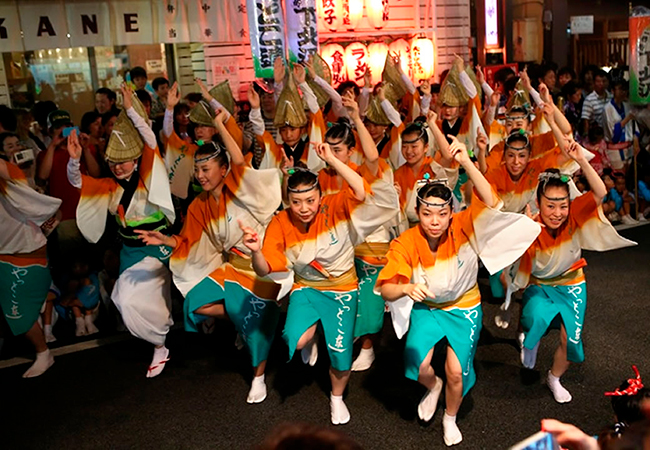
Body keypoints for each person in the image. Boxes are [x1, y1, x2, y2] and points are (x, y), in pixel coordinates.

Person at [377, 136, 540, 446]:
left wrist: (466, 162)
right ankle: (433, 386)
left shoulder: (465, 224)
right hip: (429, 310)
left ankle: (449, 417)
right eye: (427, 214)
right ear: (417, 212)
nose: (434, 221)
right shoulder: (407, 241)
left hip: (464, 308)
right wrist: (406, 287)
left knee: (455, 371)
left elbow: (492, 201)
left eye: (441, 213)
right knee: (419, 365)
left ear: (451, 212)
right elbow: (385, 288)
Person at [242, 142, 398, 425]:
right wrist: (255, 250)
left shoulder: (335, 204)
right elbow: (265, 269)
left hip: (342, 289)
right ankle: (310, 335)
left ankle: (337, 398)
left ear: (320, 196)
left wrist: (331, 160)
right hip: (307, 287)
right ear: (287, 200)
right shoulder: (279, 222)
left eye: (311, 200)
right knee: (294, 338)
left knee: (340, 352)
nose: (304, 208)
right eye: (296, 202)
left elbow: (362, 191)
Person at [137, 114, 283, 403]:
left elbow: (240, 162)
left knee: (254, 333)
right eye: (197, 170)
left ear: (224, 169)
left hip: (259, 266)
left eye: (206, 169)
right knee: (195, 303)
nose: (200, 175)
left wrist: (220, 126)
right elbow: (189, 240)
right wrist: (168, 240)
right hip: (231, 267)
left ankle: (257, 378)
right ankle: (248, 317)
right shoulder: (199, 204)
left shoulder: (241, 188)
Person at [511, 139, 635, 404]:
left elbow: (600, 191)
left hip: (572, 285)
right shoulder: (530, 227)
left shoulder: (575, 214)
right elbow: (519, 272)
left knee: (571, 341)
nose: (557, 213)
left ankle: (554, 378)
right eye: (550, 205)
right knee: (534, 321)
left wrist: (581, 160)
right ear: (538, 203)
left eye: (563, 205)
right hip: (541, 287)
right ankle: (530, 340)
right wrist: (525, 232)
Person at [66, 85, 176, 378]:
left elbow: (151, 140)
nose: (117, 166)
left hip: (157, 245)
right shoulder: (108, 186)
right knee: (121, 299)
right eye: (113, 161)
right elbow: (79, 185)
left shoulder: (150, 173)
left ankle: (159, 343)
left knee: (142, 296)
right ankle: (160, 336)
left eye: (123, 160)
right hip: (130, 251)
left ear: (137, 159)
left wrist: (130, 108)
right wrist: (74, 160)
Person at [0, 157, 62, 377]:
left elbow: (54, 216)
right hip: (6, 256)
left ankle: (43, 352)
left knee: (18, 314)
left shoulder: (11, 178)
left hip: (24, 257)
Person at [393, 116, 458, 229]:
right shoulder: (398, 174)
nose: (408, 151)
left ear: (426, 147)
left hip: (436, 227)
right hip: (408, 230)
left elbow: (448, 156)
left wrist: (432, 124)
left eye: (414, 146)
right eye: (404, 147)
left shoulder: (433, 167)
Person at [603, 80, 637, 171]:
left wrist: (636, 140)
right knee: (619, 176)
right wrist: (627, 118)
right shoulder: (607, 108)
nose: (623, 92)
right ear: (613, 91)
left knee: (629, 176)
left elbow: (635, 127)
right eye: (620, 89)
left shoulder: (627, 105)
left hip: (629, 146)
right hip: (615, 147)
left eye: (624, 90)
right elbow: (613, 136)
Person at [581, 70, 612, 137]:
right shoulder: (589, 99)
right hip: (596, 135)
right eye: (598, 81)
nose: (601, 84)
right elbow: (586, 120)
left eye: (604, 81)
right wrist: (586, 136)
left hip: (610, 133)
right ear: (594, 82)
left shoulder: (611, 97)